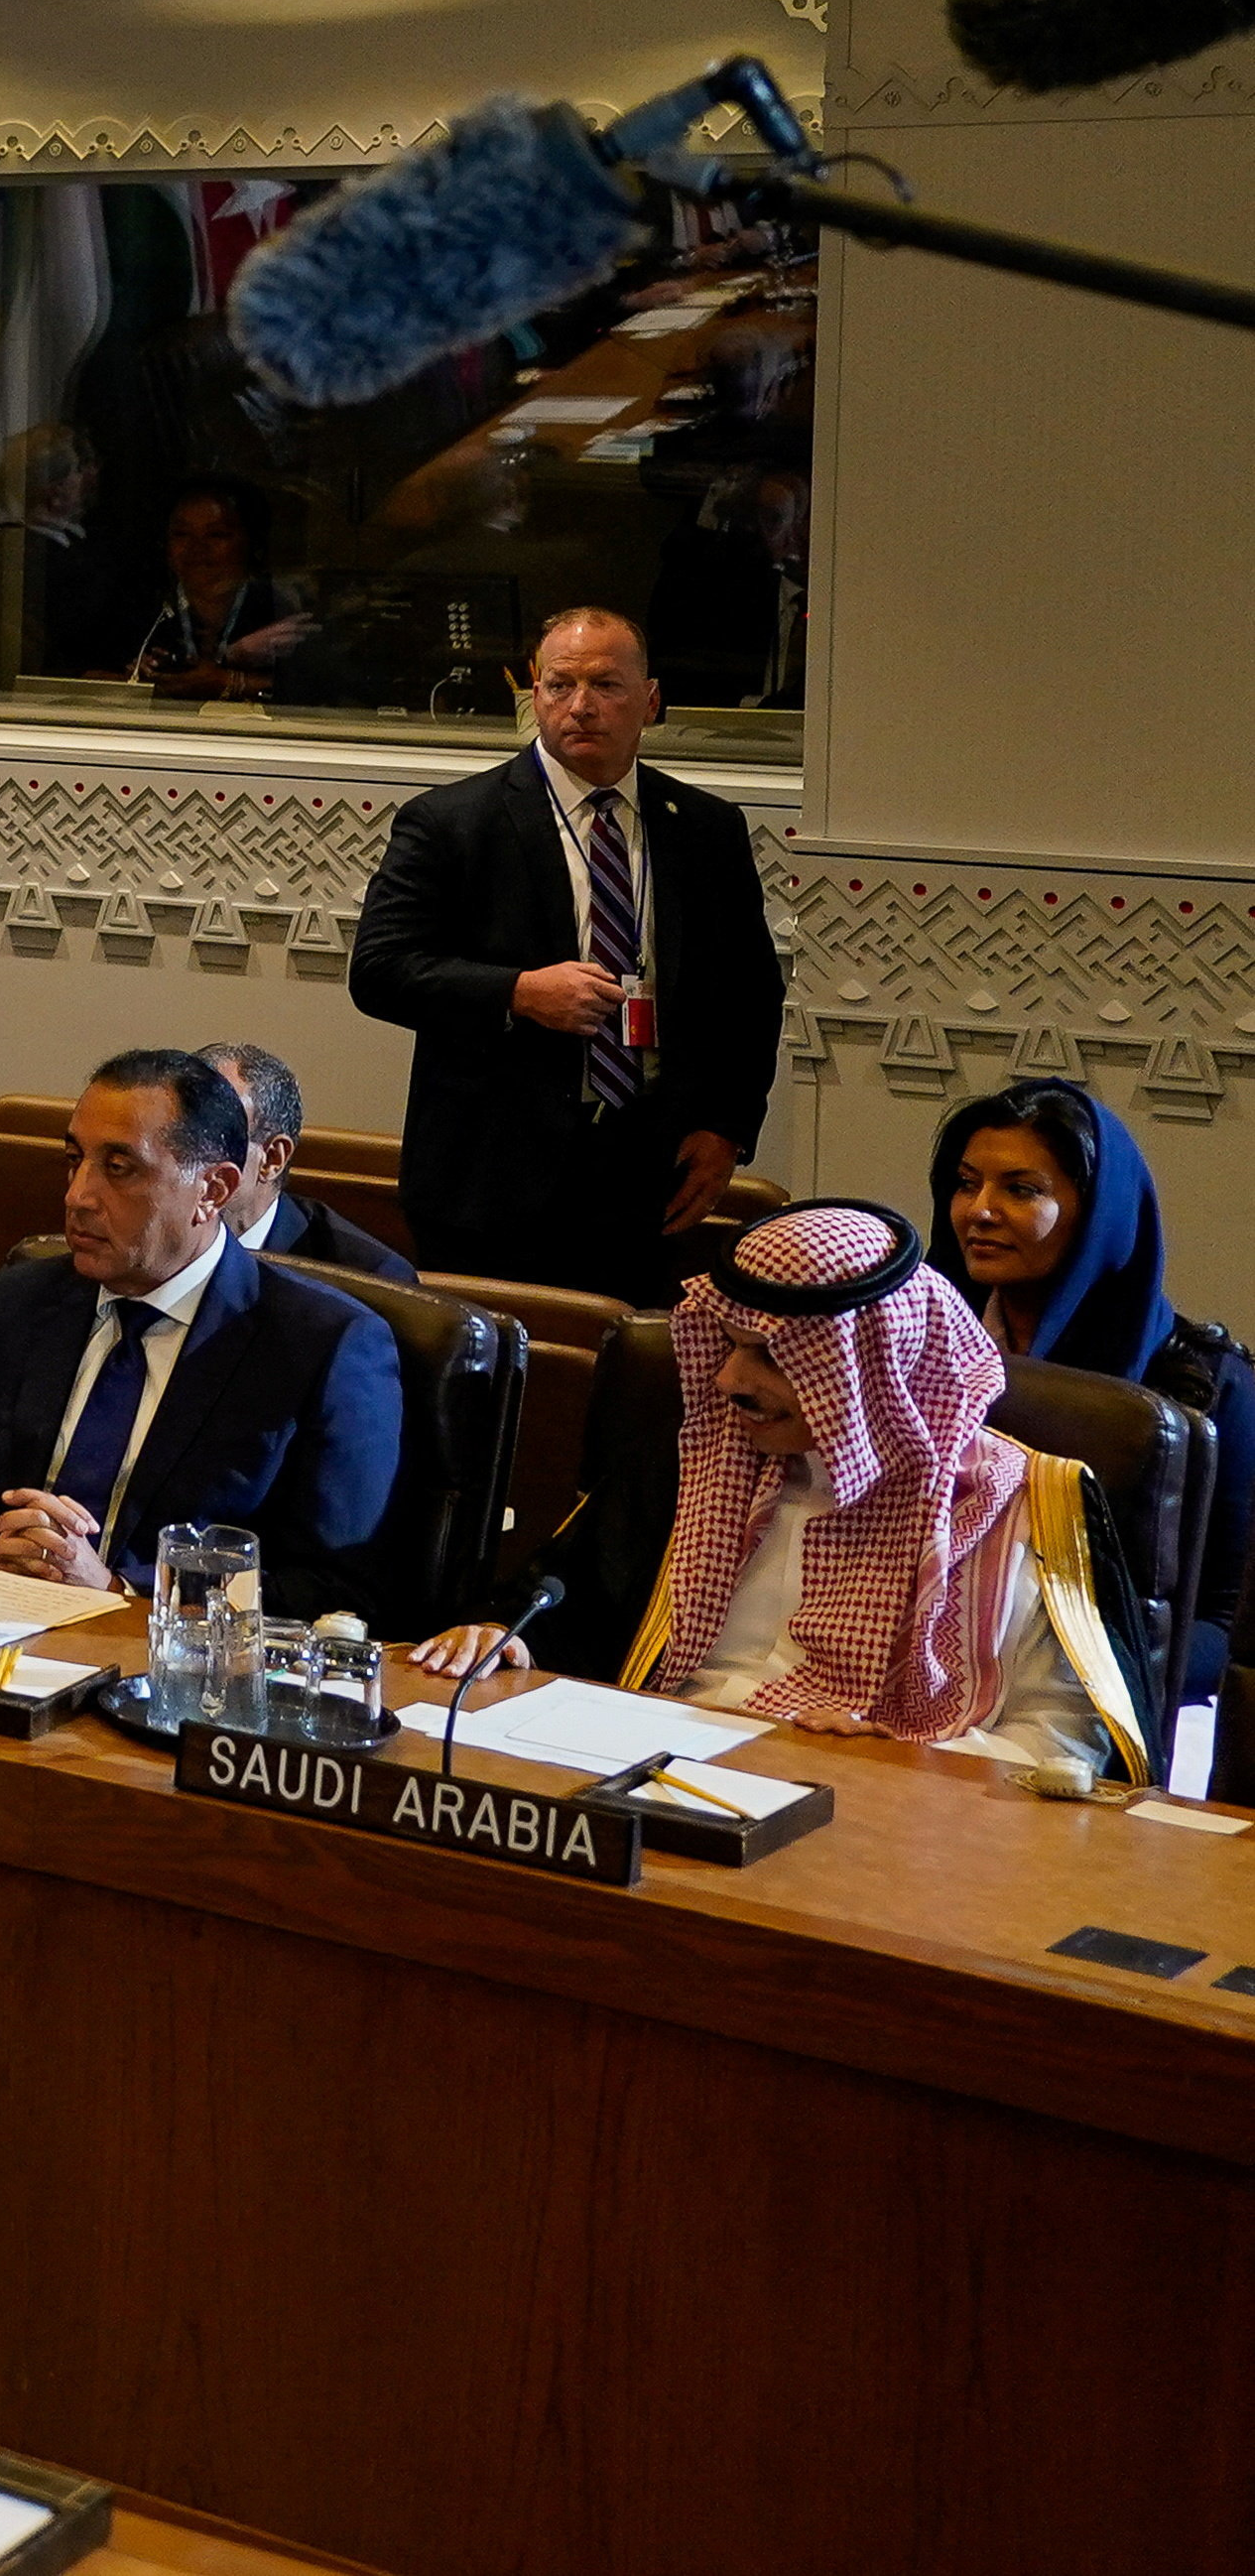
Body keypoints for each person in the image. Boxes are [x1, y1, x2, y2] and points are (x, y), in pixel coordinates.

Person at [411, 1204, 1157, 1779]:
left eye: (768, 1357)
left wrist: (919, 1761)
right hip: (650, 1780)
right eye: (729, 1346)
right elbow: (561, 1602)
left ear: (869, 1369)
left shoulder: (1025, 1504)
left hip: (880, 1826)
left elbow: (1068, 1744)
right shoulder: (696, 1460)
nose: (727, 1382)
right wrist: (504, 1632)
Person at [347, 606, 782, 1307]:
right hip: (489, 1176)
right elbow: (379, 971)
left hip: (646, 1170)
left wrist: (728, 1124)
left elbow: (750, 992)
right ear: (534, 696)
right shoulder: (453, 821)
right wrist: (516, 993)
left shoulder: (705, 828)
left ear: (650, 701)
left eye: (606, 686)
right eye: (558, 686)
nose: (579, 707)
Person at [0, 1051, 402, 1624]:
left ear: (214, 1189)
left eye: (120, 1168)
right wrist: (3, 1554)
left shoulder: (323, 1346)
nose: (77, 1196)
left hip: (172, 1679)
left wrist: (117, 1591)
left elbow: (336, 1590)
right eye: (74, 1160)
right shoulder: (7, 1307)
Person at [928, 1079, 1252, 1702]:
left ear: (1101, 1214)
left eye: (1021, 1190)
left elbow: (1227, 1626)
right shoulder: (927, 1349)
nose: (980, 1211)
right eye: (967, 1184)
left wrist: (1059, 1679)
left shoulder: (1207, 1384)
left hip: (1109, 1703)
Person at [197, 1041, 413, 1285]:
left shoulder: (370, 1277)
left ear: (272, 1159)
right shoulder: (152, 1242)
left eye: (210, 1137)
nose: (179, 1160)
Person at [122, 478, 308, 702]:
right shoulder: (141, 607)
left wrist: (231, 681)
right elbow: (85, 678)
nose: (196, 547)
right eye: (181, 533)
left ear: (251, 542)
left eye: (216, 534)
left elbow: (321, 692)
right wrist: (136, 678)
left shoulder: (278, 607)